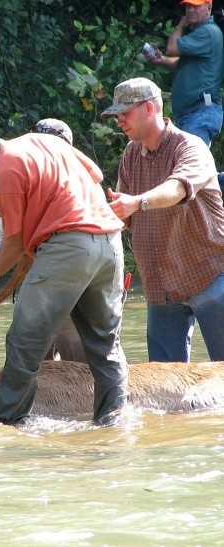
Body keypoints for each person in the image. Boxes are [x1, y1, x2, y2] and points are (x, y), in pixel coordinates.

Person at [0, 123, 128, 426]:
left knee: (22, 344)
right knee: (105, 346)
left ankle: (6, 428)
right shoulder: (46, 143)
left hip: (68, 249)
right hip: (110, 245)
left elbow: (15, 243)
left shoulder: (5, 172)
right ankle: (113, 423)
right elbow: (95, 173)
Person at [103, 77, 224, 362]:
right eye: (117, 115)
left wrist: (137, 202)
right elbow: (123, 217)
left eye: (124, 113)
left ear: (148, 108)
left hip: (210, 278)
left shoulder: (191, 147)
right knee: (165, 394)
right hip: (160, 289)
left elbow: (177, 188)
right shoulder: (131, 154)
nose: (119, 121)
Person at [0, 118, 87, 363]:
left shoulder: (79, 187)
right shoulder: (15, 186)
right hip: (34, 296)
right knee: (28, 361)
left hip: (71, 293)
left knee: (77, 362)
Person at [144, 0, 223, 147]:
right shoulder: (200, 32)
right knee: (185, 161)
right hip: (192, 113)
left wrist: (180, 25)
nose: (191, 10)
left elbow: (172, 48)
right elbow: (181, 64)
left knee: (191, 164)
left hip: (200, 112)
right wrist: (161, 60)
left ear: (209, 7)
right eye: (188, 6)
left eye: (196, 6)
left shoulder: (207, 31)